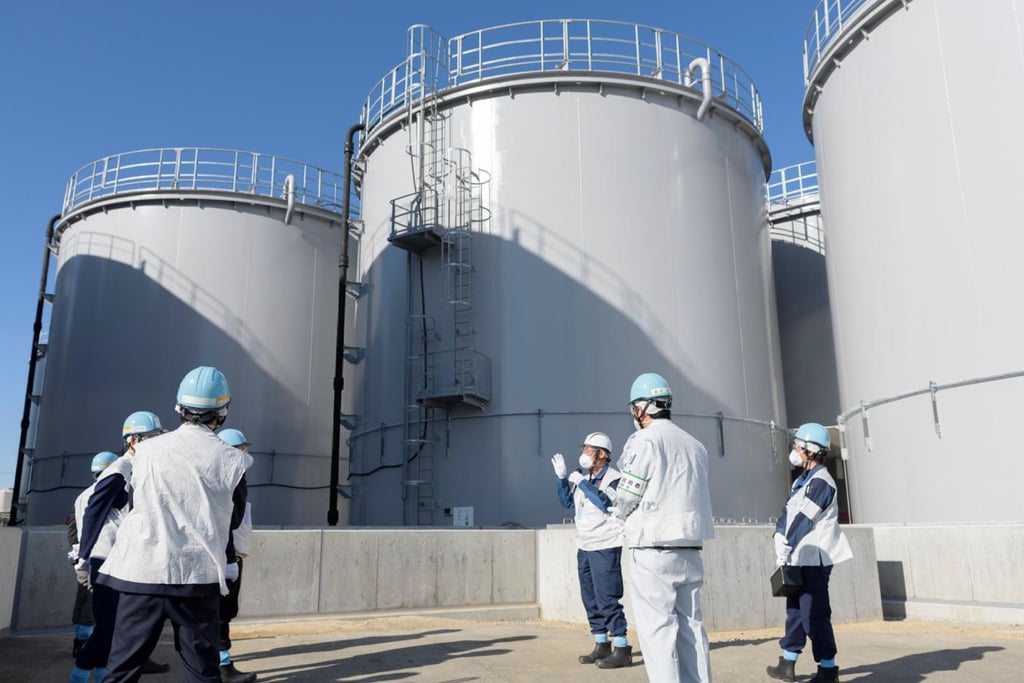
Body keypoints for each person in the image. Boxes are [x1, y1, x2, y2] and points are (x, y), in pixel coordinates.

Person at [98, 366, 252, 683]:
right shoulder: (233, 460)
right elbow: (234, 520)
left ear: (179, 408)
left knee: (122, 670)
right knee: (202, 672)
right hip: (196, 578)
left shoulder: (145, 451)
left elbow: (134, 506)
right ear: (222, 413)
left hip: (141, 575)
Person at [613, 372, 715, 683]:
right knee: (692, 627)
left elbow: (627, 494)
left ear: (642, 407)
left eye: (634, 407)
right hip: (690, 546)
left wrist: (617, 510)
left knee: (658, 631)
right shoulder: (696, 446)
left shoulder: (643, 440)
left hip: (653, 547)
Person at [70, 414, 170, 683]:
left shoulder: (138, 469)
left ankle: (103, 676)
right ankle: (79, 676)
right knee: (107, 628)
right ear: (134, 441)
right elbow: (93, 512)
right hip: (105, 561)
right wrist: (84, 555)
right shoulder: (118, 471)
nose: (158, 443)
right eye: (153, 437)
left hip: (122, 559)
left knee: (116, 630)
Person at [766, 423, 852, 683]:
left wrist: (787, 542)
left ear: (810, 451)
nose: (794, 449)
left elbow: (804, 518)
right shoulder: (802, 481)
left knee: (814, 614)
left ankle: (828, 669)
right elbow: (788, 513)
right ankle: (787, 663)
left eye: (798, 446)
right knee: (794, 612)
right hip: (798, 558)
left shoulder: (822, 483)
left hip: (815, 560)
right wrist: (779, 536)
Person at [550, 432, 631, 668]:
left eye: (588, 449)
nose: (583, 453)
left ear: (602, 454)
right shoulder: (583, 479)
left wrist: (582, 482)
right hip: (584, 544)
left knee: (607, 597)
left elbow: (605, 502)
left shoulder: (614, 478)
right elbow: (567, 502)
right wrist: (562, 478)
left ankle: (622, 648)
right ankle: (601, 643)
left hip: (605, 544)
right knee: (590, 598)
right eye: (583, 448)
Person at [66, 452, 117, 663]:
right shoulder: (110, 493)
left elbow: (73, 529)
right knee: (102, 609)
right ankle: (94, 651)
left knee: (85, 601)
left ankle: (81, 643)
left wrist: (77, 551)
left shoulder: (82, 496)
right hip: (102, 558)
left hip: (85, 557)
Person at [215, 428, 256, 683]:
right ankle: (223, 666)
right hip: (225, 553)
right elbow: (232, 520)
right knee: (222, 611)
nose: (245, 454)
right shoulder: (234, 478)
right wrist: (231, 559)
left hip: (217, 551)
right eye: (242, 449)